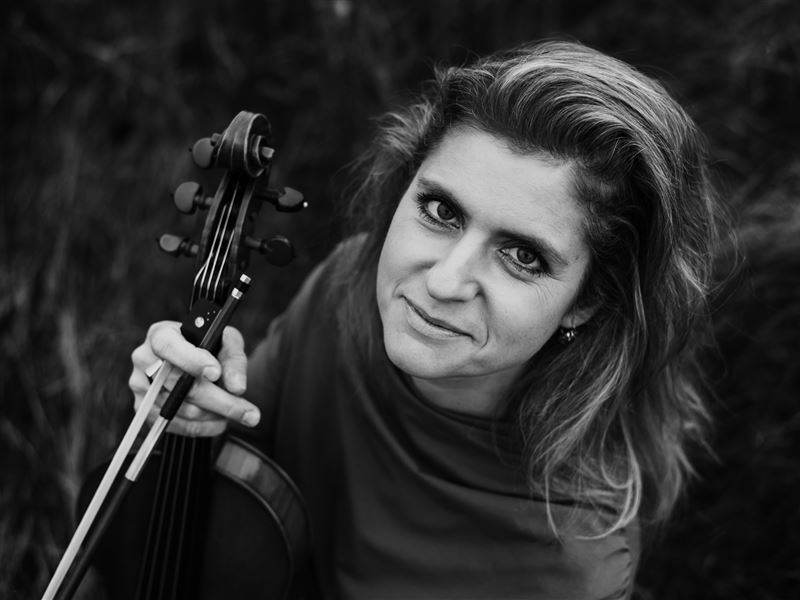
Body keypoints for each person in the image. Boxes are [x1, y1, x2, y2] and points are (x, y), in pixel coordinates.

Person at [129, 40, 722, 599]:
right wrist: (180, 410)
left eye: (522, 256)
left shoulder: (569, 570)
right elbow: (231, 463)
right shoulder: (344, 289)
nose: (441, 283)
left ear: (588, 300)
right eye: (440, 211)